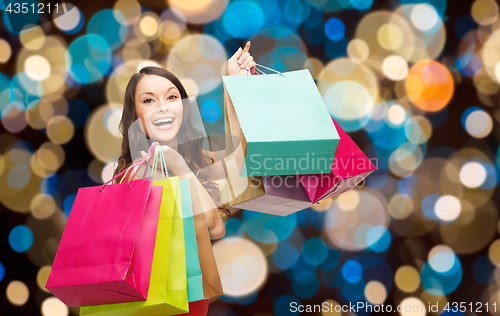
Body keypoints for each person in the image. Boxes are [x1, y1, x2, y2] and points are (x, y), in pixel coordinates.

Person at [112, 41, 257, 240]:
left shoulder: (187, 156)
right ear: (135, 115)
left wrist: (234, 85)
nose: (163, 107)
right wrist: (181, 168)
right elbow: (214, 228)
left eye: (172, 97)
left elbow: (236, 163)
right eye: (148, 100)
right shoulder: (142, 172)